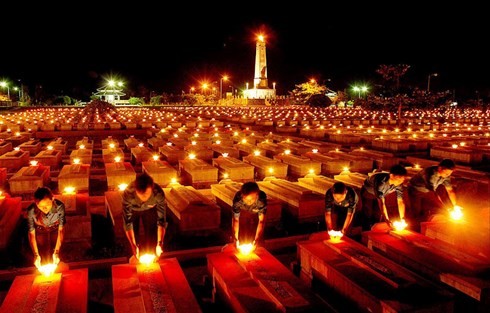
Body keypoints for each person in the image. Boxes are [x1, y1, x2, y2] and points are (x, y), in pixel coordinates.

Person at [122, 173, 167, 261]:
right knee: (133, 238)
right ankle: (133, 257)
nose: (143, 197)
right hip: (133, 210)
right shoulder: (128, 193)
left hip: (150, 209)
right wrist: (133, 245)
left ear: (152, 188)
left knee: (151, 233)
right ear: (135, 190)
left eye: (146, 194)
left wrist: (160, 242)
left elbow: (161, 220)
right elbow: (127, 222)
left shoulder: (158, 193)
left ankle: (153, 257)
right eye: (140, 194)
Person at [408, 159, 457, 225]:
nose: (447, 175)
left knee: (427, 209)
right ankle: (414, 225)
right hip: (415, 189)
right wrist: (445, 207)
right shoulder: (430, 174)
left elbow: (450, 191)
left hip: (427, 190)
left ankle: (424, 222)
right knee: (416, 210)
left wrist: (454, 206)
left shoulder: (446, 176)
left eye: (449, 174)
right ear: (440, 168)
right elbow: (434, 193)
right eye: (446, 173)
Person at [27, 187, 65, 268]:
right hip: (40, 230)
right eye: (41, 206)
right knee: (43, 255)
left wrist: (57, 252)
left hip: (55, 229)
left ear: (53, 199)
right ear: (36, 203)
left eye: (48, 204)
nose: (45, 208)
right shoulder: (31, 210)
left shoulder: (59, 206)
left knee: (56, 255)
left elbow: (61, 230)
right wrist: (36, 255)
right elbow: (31, 233)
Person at [360, 164, 407, 230]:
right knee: (368, 213)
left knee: (378, 214)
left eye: (402, 180)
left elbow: (400, 201)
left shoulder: (399, 184)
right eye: (399, 179)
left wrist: (402, 218)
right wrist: (387, 220)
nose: (400, 182)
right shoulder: (381, 183)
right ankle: (366, 232)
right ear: (391, 176)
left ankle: (375, 228)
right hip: (369, 193)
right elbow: (382, 203)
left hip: (382, 193)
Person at [232, 182, 267, 247]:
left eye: (251, 199)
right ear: (242, 196)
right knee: (242, 235)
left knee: (258, 241)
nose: (249, 202)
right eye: (246, 199)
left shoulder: (261, 200)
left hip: (256, 213)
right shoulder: (238, 200)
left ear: (257, 196)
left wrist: (257, 239)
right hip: (243, 213)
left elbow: (261, 221)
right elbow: (236, 220)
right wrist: (235, 238)